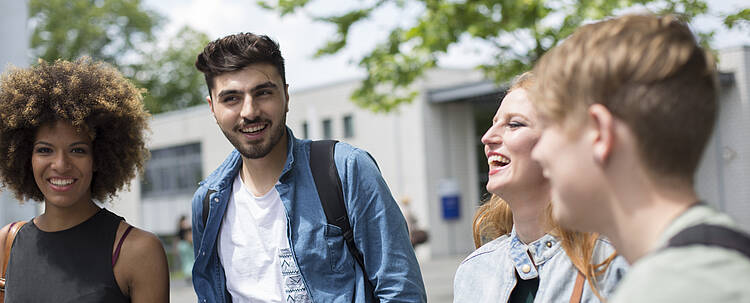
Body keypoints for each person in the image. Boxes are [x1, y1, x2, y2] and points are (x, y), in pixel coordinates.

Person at [529, 14, 750, 302]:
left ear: (599, 133)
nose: (538, 151)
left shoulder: (670, 288)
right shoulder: (718, 262)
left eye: (547, 127)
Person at [190, 32, 426, 303]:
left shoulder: (344, 169)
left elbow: (402, 293)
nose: (249, 111)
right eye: (231, 98)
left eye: (263, 92)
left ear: (286, 96)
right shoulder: (208, 203)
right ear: (212, 108)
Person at [0, 58, 169, 302]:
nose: (60, 164)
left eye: (77, 150)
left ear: (99, 157)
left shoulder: (138, 251)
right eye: (45, 150)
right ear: (26, 157)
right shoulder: (7, 243)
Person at [453, 72, 627, 302]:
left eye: (514, 124)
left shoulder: (612, 265)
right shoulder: (475, 271)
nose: (487, 137)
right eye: (493, 124)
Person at [176, 215, 194, 282]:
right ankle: (188, 273)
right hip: (184, 246)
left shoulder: (189, 228)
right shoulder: (180, 231)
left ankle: (190, 273)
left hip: (189, 246)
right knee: (186, 261)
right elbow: (177, 239)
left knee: (191, 260)